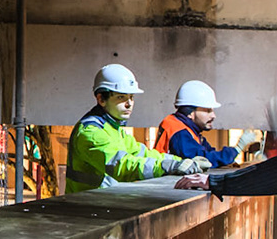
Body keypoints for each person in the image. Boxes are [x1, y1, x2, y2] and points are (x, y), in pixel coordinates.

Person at [66, 63, 211, 193]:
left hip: (102, 204)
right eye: (121, 97)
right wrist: (169, 166)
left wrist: (180, 161)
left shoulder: (114, 129)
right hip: (87, 209)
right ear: (101, 99)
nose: (129, 104)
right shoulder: (91, 132)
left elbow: (142, 153)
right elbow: (122, 165)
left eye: (131, 97)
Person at [152, 80, 244, 170]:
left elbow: (209, 153)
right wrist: (237, 149)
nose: (213, 116)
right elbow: (202, 159)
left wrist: (226, 161)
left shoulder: (190, 130)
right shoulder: (179, 132)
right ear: (190, 113)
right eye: (208, 111)